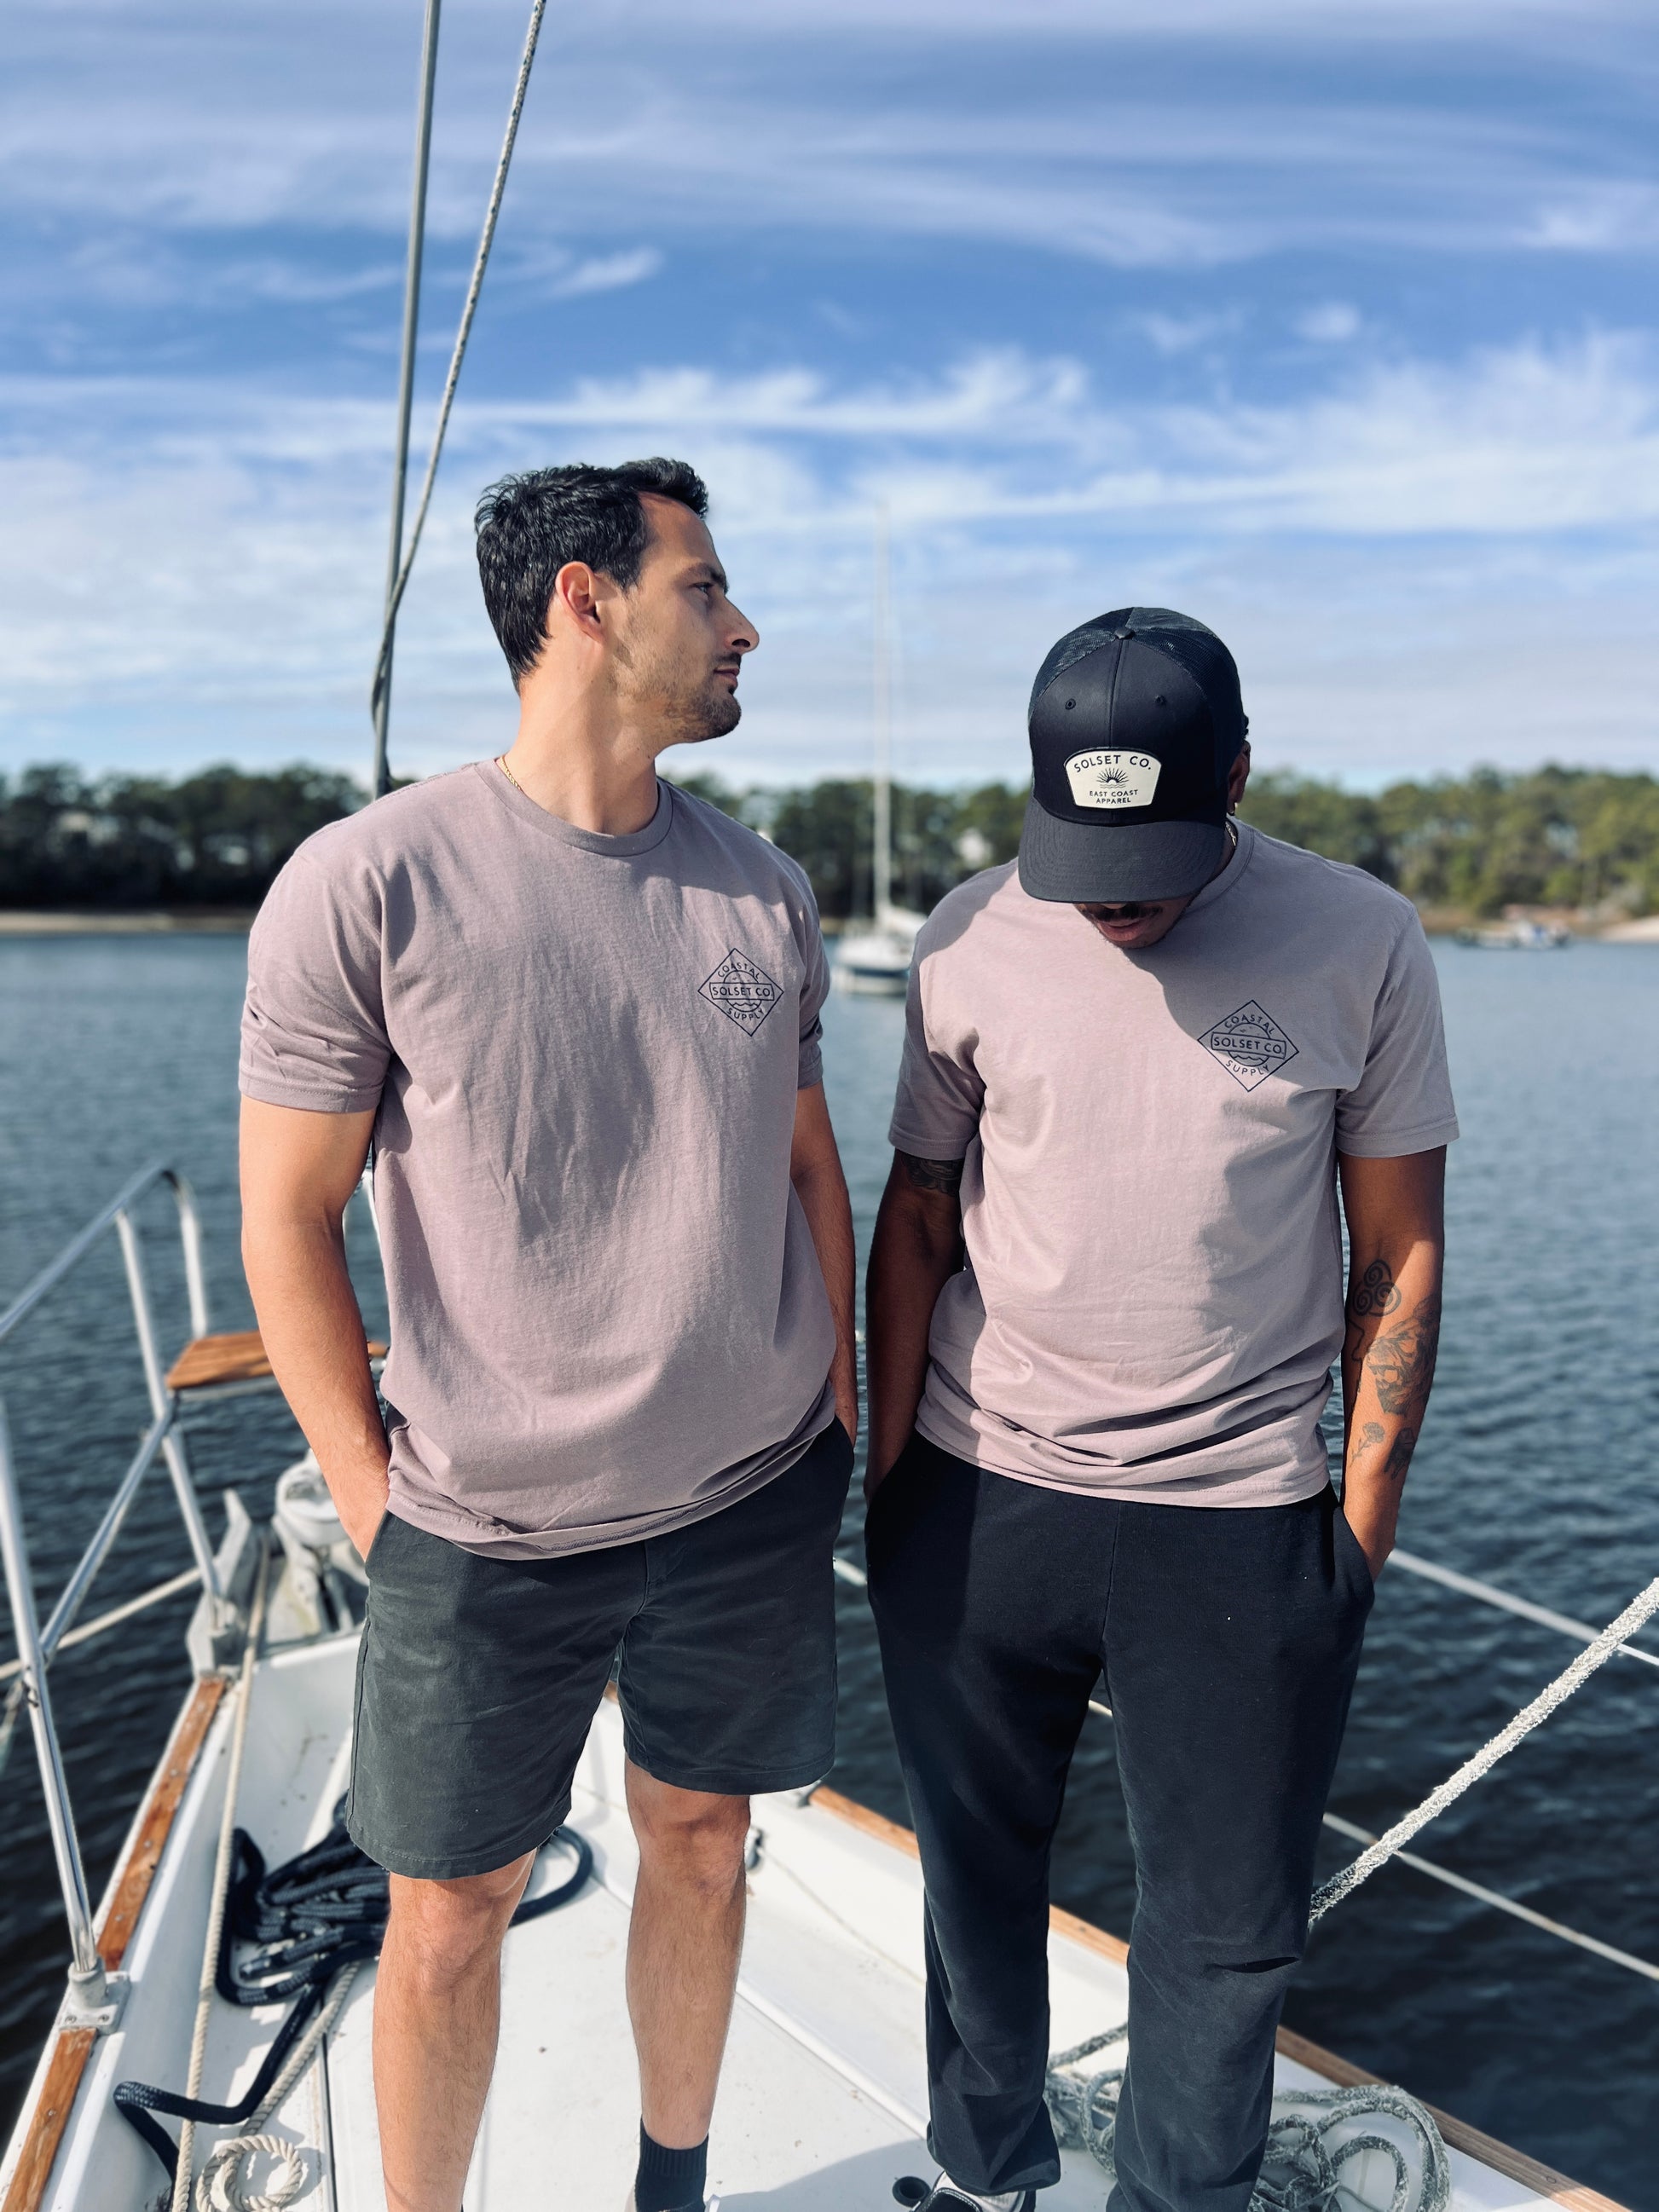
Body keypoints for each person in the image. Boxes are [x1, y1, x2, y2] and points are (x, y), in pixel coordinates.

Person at [239, 459, 858, 2212]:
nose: (743, 626)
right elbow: (286, 1219)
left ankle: (673, 2183)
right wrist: (374, 1501)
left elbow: (807, 1161)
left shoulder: (763, 888)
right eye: (704, 587)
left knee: (703, 1838)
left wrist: (835, 1403)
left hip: (748, 1494)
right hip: (480, 1526)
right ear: (582, 602)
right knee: (448, 1910)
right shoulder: (367, 883)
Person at [864, 608, 1455, 2212]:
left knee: (1224, 1934)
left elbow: (1395, 1253)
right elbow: (916, 1214)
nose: (1114, 901)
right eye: (1084, 858)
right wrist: (890, 1480)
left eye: (1149, 861)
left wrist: (1352, 1539)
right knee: (972, 1885)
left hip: (1239, 1519)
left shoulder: (1361, 939)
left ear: (1238, 775)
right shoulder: (967, 935)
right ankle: (983, 2171)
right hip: (977, 1493)